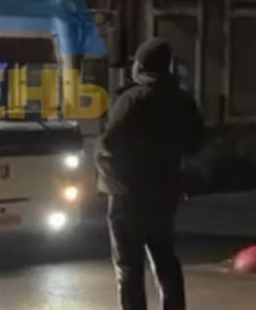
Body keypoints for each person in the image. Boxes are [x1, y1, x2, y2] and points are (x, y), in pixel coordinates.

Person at [96, 38, 204, 310]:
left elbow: (109, 142)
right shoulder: (181, 100)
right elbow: (196, 143)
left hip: (127, 195)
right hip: (164, 193)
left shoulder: (132, 99)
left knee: (129, 266)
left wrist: (110, 175)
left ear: (142, 65)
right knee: (165, 258)